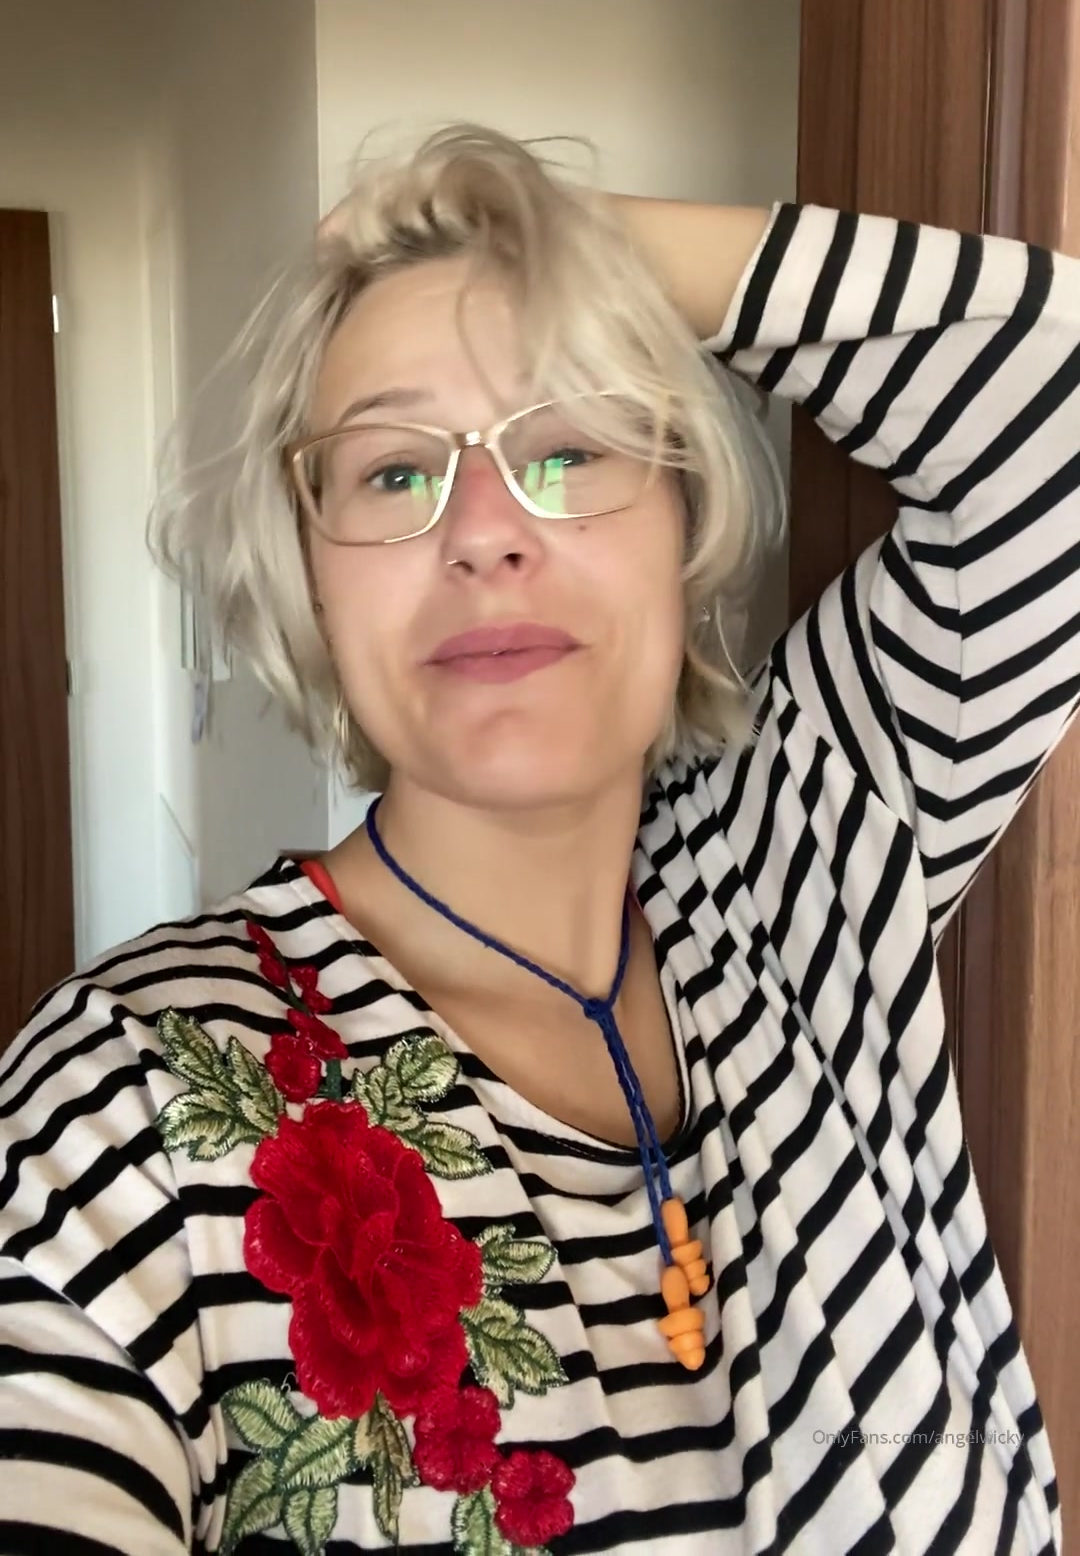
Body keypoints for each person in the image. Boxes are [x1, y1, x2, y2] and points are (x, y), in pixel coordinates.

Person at [0, 125, 1074, 1556]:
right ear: (310, 576)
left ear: (686, 517)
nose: (487, 533)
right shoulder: (130, 1102)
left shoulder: (804, 859)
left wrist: (570, 246)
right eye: (395, 472)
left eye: (569, 445)